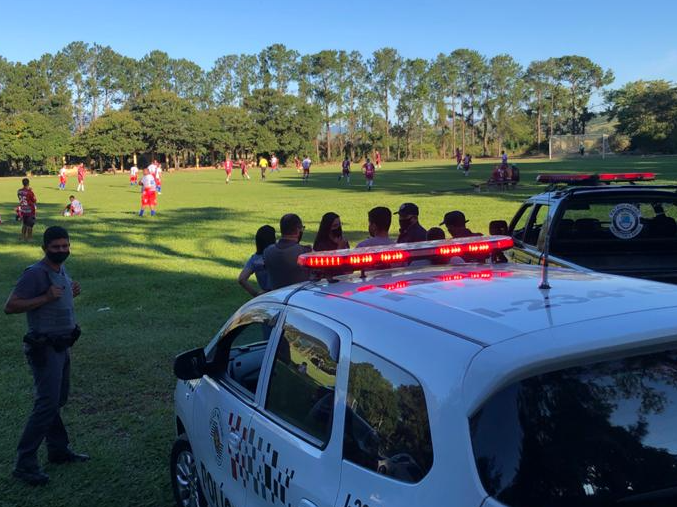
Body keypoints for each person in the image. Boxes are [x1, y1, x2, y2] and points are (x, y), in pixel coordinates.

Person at [4, 226, 89, 486]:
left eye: (65, 246)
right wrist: (45, 297)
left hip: (62, 345)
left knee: (57, 400)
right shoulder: (35, 273)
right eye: (56, 247)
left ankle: (58, 450)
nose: (62, 251)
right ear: (45, 248)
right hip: (45, 348)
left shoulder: (60, 269)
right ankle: (25, 463)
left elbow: (59, 297)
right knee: (46, 404)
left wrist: (69, 290)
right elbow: (11, 306)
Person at [263, 214, 311, 289]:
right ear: (298, 230)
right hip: (299, 296)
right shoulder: (304, 252)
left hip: (276, 297)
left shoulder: (267, 251)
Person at [238, 225, 276, 297]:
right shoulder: (277, 255)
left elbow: (241, 279)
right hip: (280, 293)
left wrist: (255, 294)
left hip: (265, 296)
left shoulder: (254, 259)